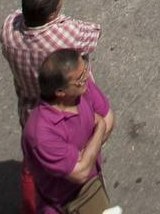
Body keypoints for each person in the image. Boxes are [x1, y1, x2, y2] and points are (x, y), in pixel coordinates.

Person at [21, 48, 115, 214]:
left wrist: (85, 157)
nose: (86, 77)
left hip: (92, 188)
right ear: (60, 92)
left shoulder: (82, 89)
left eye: (85, 69)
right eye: (79, 78)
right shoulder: (41, 133)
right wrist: (98, 129)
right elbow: (80, 172)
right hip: (63, 206)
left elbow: (108, 119)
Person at [0, 0, 101, 128]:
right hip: (71, 112)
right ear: (52, 14)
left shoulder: (9, 27)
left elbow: (17, 15)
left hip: (31, 115)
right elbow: (94, 34)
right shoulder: (65, 34)